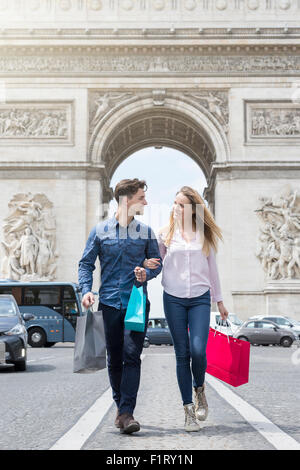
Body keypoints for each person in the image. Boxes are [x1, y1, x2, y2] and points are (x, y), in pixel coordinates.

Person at [78, 178, 162, 435]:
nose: (146, 202)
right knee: (114, 358)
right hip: (110, 303)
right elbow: (85, 264)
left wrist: (145, 274)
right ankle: (120, 407)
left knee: (132, 356)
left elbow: (157, 263)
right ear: (126, 201)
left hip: (136, 303)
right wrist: (86, 291)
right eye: (141, 198)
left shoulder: (146, 232)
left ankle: (127, 412)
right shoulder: (99, 231)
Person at [143, 186, 229, 432]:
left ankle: (200, 388)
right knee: (182, 354)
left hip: (201, 298)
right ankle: (188, 411)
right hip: (174, 298)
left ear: (193, 209)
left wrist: (220, 301)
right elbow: (155, 264)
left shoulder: (205, 235)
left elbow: (213, 269)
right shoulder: (165, 235)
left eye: (181, 205)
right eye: (174, 203)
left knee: (198, 350)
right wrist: (146, 266)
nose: (176, 208)